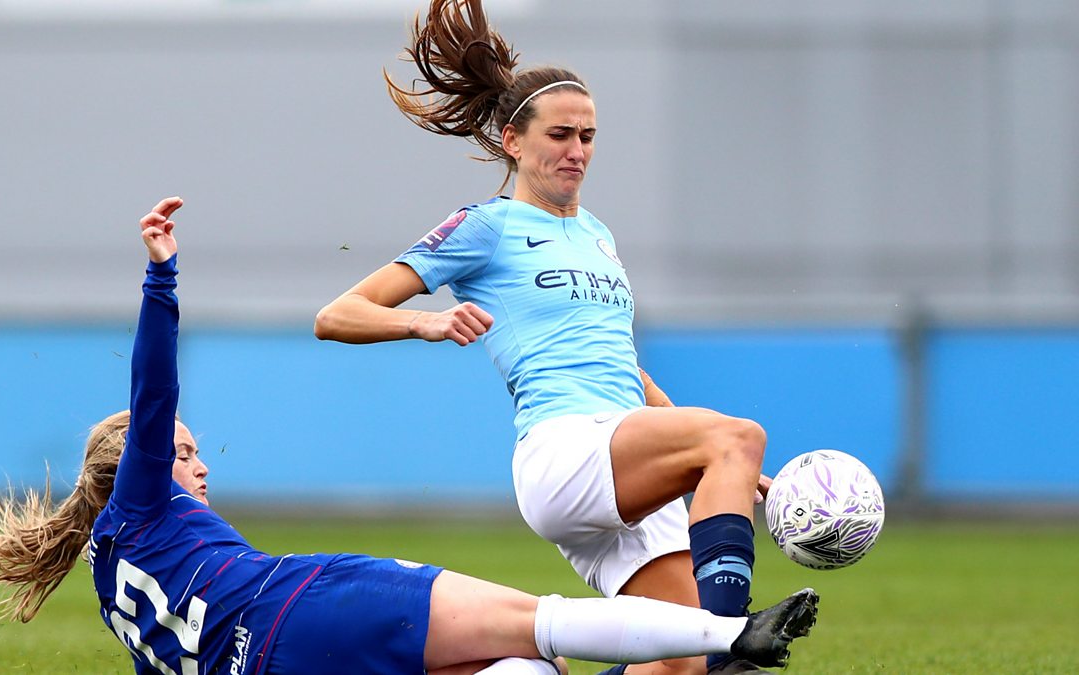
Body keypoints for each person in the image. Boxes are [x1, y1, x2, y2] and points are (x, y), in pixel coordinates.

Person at [0, 197, 817, 675]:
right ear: (130, 467)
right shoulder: (138, 503)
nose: (196, 459)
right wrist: (161, 278)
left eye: (190, 445)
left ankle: (703, 650)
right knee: (537, 624)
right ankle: (724, 637)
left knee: (522, 670)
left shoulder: (111, 580)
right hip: (310, 605)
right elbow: (152, 380)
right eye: (177, 450)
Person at [314, 2, 786, 674]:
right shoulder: (484, 225)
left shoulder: (597, 233)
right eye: (561, 134)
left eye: (589, 136)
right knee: (736, 438)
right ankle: (735, 640)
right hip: (565, 449)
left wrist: (721, 461)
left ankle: (698, 652)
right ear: (513, 141)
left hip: (622, 445)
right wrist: (426, 320)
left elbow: (627, 371)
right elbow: (337, 314)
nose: (578, 150)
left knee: (676, 662)